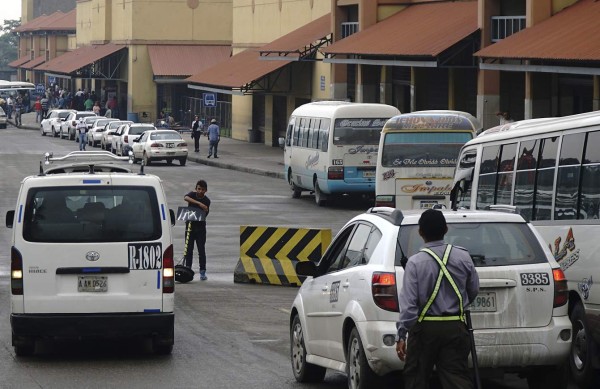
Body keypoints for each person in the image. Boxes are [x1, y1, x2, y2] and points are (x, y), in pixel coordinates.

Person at [396, 209, 479, 389]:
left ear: (420, 232)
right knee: (456, 377)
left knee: (417, 378)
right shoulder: (463, 256)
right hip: (456, 327)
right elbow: (473, 290)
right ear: (446, 229)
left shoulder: (415, 263)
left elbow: (409, 306)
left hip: (424, 329)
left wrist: (401, 334)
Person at [183, 180, 211, 281]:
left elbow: (204, 214)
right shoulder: (192, 195)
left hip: (200, 229)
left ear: (206, 190)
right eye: (199, 189)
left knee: (201, 250)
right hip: (189, 227)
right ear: (196, 189)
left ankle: (202, 271)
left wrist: (205, 208)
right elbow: (185, 197)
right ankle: (187, 269)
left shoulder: (207, 201)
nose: (200, 191)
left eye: (203, 190)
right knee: (188, 250)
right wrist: (199, 203)